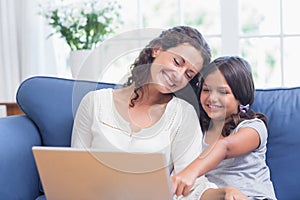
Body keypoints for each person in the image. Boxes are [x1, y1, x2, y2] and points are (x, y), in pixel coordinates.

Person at [71, 26, 248, 200]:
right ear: (157, 49)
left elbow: (190, 187)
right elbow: (73, 171)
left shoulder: (184, 115)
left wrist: (224, 193)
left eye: (188, 74)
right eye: (177, 62)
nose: (178, 75)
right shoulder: (94, 102)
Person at [171, 56, 277, 200]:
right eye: (206, 90)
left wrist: (191, 172)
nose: (212, 98)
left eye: (223, 92)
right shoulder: (198, 130)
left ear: (241, 96)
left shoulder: (253, 127)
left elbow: (224, 147)